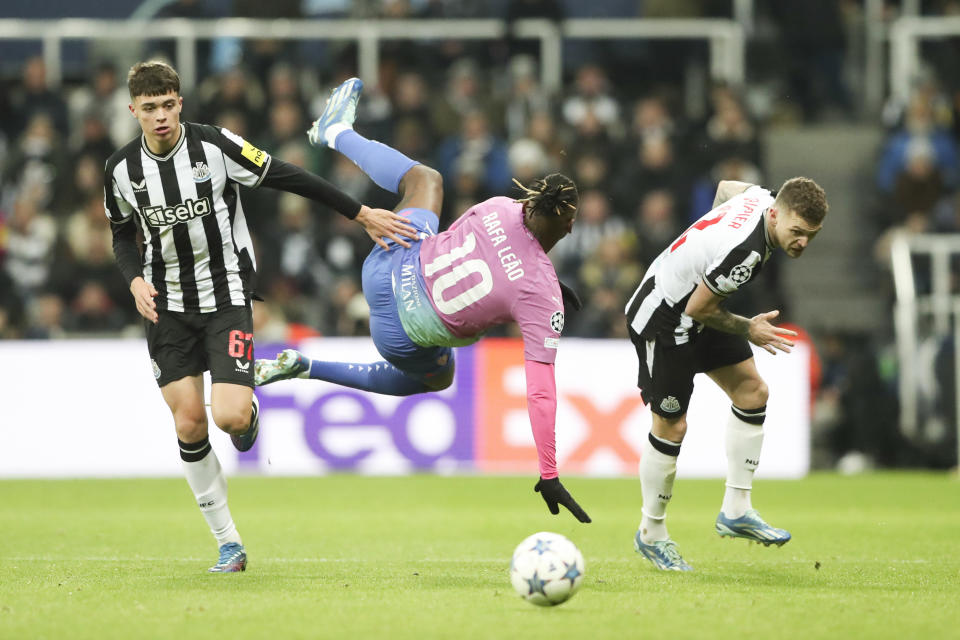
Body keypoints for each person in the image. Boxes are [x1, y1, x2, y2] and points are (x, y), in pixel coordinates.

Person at [104, 61, 416, 573]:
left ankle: (246, 417)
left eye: (168, 105)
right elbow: (120, 233)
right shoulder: (121, 171)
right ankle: (228, 543)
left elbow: (289, 176)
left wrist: (360, 213)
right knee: (187, 420)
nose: (160, 116)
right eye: (149, 108)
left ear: (180, 103)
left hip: (226, 296)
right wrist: (135, 279)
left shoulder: (216, 147)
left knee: (227, 417)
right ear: (133, 110)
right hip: (167, 306)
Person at [255, 78, 591, 524]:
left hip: (387, 263)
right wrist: (548, 472)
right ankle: (307, 367)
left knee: (425, 179)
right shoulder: (540, 293)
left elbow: (492, 256)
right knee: (439, 377)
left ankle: (337, 132)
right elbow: (540, 390)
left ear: (530, 201)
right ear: (567, 229)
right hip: (400, 332)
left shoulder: (499, 207)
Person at [624, 176, 828, 571]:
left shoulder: (760, 197)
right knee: (672, 426)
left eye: (811, 236)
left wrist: (709, 243)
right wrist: (750, 328)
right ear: (775, 215)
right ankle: (651, 533)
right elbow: (699, 308)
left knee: (753, 393)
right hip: (664, 318)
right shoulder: (747, 252)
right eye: (797, 232)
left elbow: (724, 187)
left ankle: (736, 509)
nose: (802, 242)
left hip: (694, 311)